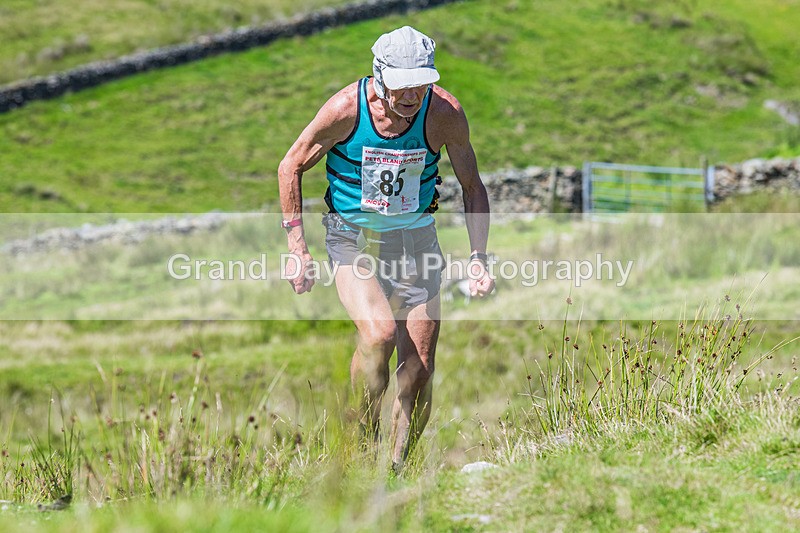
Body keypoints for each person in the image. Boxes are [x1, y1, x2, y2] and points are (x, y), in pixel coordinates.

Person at [278, 25, 494, 470]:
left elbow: (472, 187)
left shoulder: (445, 113)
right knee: (379, 334)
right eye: (402, 85)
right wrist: (297, 248)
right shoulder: (345, 110)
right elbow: (291, 164)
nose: (412, 95)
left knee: (420, 369)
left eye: (421, 84)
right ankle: (357, 441)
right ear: (379, 75)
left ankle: (398, 469)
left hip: (414, 242)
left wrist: (478, 259)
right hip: (352, 238)